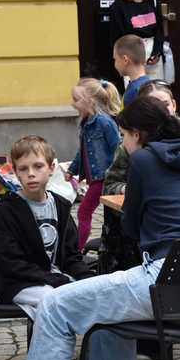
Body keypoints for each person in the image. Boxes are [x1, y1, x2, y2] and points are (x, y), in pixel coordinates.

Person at [21, 96, 180, 360]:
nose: (123, 142)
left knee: (53, 305)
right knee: (101, 310)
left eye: (124, 135)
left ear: (137, 134)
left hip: (166, 288)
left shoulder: (142, 160)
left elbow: (129, 226)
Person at [0, 136, 95, 320]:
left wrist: (88, 279)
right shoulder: (8, 209)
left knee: (96, 295)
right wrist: (55, 280)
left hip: (56, 279)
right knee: (57, 301)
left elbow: (71, 255)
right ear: (15, 172)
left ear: (51, 168)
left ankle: (91, 347)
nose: (31, 173)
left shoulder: (61, 206)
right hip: (18, 283)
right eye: (23, 168)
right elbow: (10, 262)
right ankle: (51, 349)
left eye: (38, 166)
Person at [103, 79, 180, 196]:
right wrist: (134, 189)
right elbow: (109, 186)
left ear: (174, 105)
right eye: (154, 106)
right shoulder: (133, 142)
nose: (161, 110)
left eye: (165, 104)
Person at [65, 78, 121, 252]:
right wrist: (72, 170)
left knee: (83, 212)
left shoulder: (104, 122)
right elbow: (82, 152)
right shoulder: (86, 123)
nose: (73, 104)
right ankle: (107, 242)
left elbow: (118, 149)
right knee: (105, 214)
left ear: (90, 100)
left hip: (104, 178)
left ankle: (77, 250)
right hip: (96, 178)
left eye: (76, 99)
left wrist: (117, 174)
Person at [110, 0, 165, 83]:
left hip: (153, 60)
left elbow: (159, 30)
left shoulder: (153, 0)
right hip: (132, 58)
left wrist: (157, 52)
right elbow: (117, 38)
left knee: (156, 94)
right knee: (137, 95)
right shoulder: (119, 6)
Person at [113, 34, 151, 109]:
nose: (115, 64)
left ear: (125, 60)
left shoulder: (134, 91)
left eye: (115, 59)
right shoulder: (148, 84)